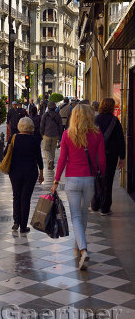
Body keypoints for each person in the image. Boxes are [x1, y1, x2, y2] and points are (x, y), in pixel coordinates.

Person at [51, 104, 106, 270]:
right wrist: (101, 175)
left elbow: (62, 160)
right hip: (89, 179)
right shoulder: (97, 134)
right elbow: (102, 160)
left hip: (72, 179)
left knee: (75, 215)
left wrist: (55, 181)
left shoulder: (67, 134)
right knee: (83, 214)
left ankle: (83, 249)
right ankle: (78, 245)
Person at [9, 117, 44, 233]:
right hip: (30, 172)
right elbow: (39, 158)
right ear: (31, 127)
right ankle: (23, 226)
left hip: (15, 172)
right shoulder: (34, 140)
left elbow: (5, 153)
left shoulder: (13, 138)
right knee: (26, 199)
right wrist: (42, 173)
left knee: (16, 196)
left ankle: (16, 222)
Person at [95, 98, 125, 216]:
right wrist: (122, 157)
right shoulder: (114, 120)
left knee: (97, 178)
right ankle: (105, 207)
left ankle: (95, 203)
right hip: (110, 154)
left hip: (97, 154)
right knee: (108, 180)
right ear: (112, 107)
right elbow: (120, 140)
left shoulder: (95, 119)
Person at [40, 101, 63, 170]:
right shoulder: (58, 115)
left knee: (46, 149)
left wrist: (42, 133)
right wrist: (59, 135)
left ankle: (50, 160)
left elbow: (42, 125)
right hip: (55, 134)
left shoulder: (45, 115)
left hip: (47, 134)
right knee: (52, 150)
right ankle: (50, 165)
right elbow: (60, 126)